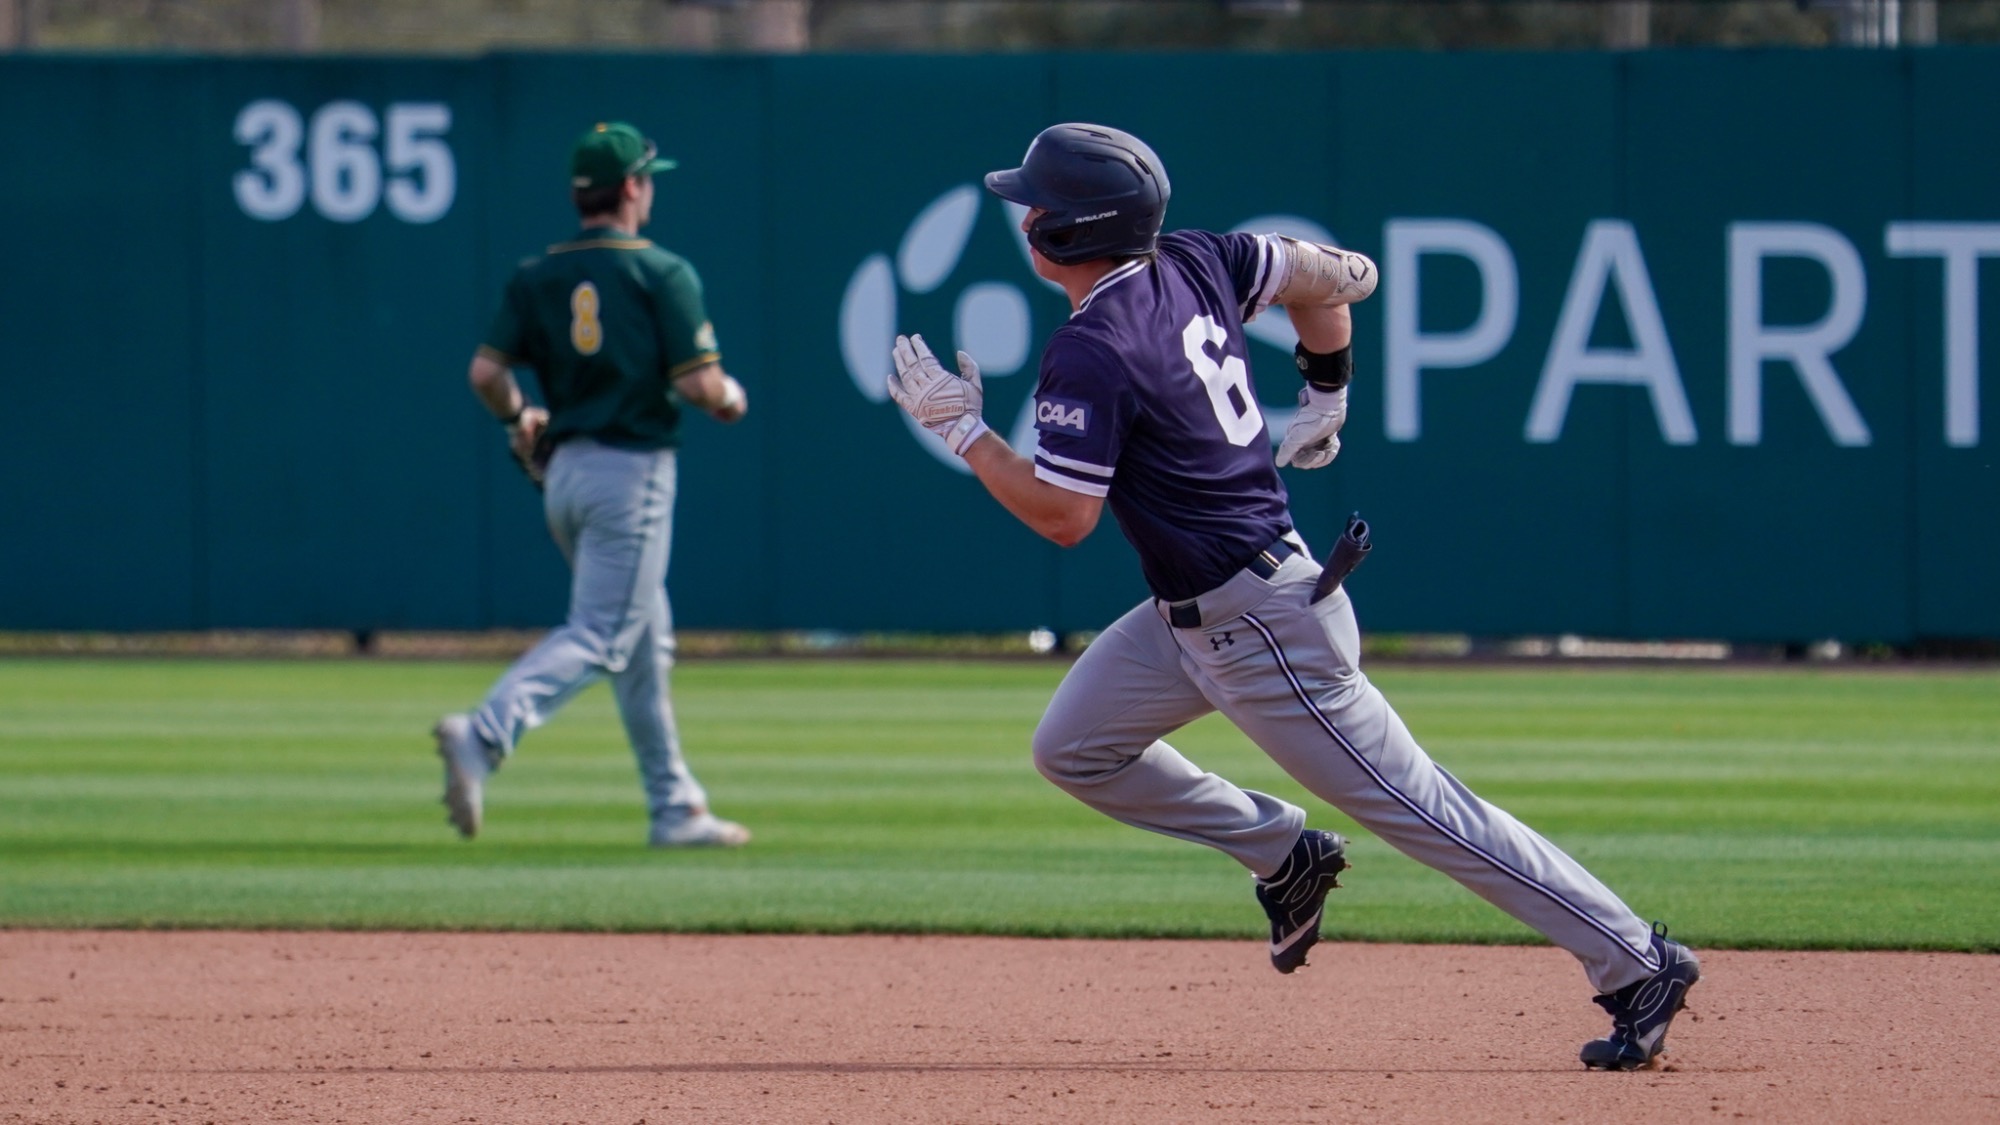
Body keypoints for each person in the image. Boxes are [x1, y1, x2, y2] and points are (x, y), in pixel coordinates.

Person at [887, 122, 1699, 1070]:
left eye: (1037, 204)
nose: (1024, 215)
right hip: (1203, 610)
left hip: (1260, 627)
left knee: (1427, 810)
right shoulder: (1199, 258)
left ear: (1067, 231)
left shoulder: (1092, 347)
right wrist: (1328, 387)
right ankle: (1282, 850)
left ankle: (1637, 959)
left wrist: (967, 434)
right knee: (1074, 747)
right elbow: (1343, 279)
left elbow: (1065, 517)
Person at [433, 121, 752, 849]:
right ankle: (484, 735)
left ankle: (675, 807)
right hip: (629, 474)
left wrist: (519, 415)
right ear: (633, 187)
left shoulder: (536, 274)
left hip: (563, 475)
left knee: (643, 643)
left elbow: (487, 373)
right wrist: (730, 395)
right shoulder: (659, 271)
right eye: (649, 178)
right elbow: (702, 385)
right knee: (605, 636)